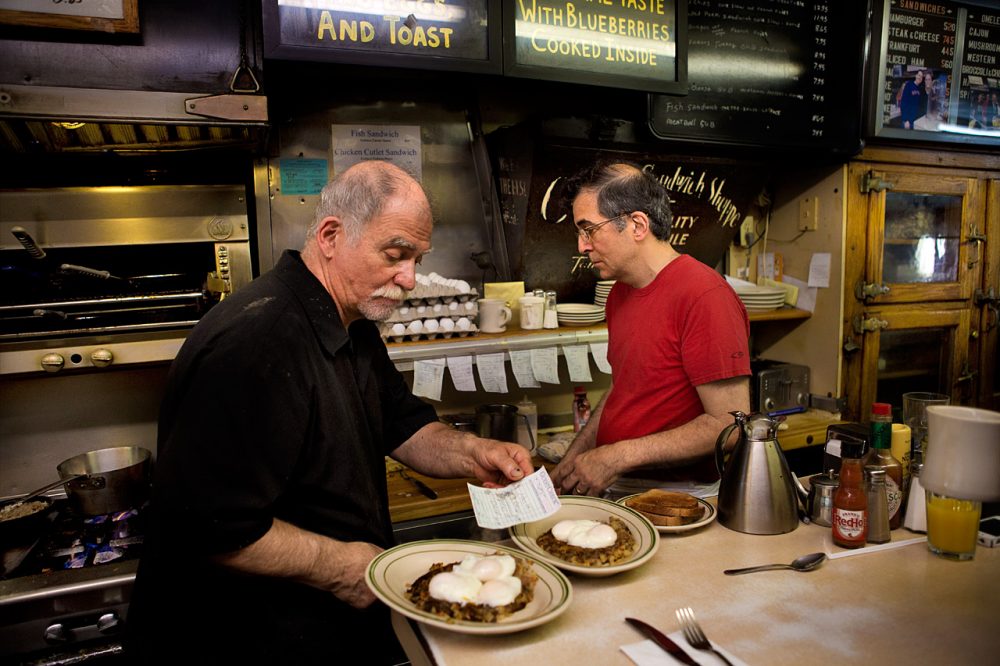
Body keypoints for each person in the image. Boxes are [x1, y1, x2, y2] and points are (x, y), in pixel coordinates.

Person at [125, 161, 533, 665]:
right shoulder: (259, 341)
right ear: (331, 235)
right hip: (243, 640)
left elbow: (402, 423)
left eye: (416, 258)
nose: (408, 278)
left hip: (324, 629)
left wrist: (474, 453)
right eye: (395, 254)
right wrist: (339, 563)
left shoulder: (353, 320)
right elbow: (210, 527)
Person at [551, 162, 750, 497]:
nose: (582, 247)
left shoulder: (704, 295)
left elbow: (729, 425)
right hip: (622, 485)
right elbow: (623, 391)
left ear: (637, 225)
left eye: (589, 230)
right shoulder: (619, 292)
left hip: (677, 496)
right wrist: (573, 460)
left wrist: (616, 457)